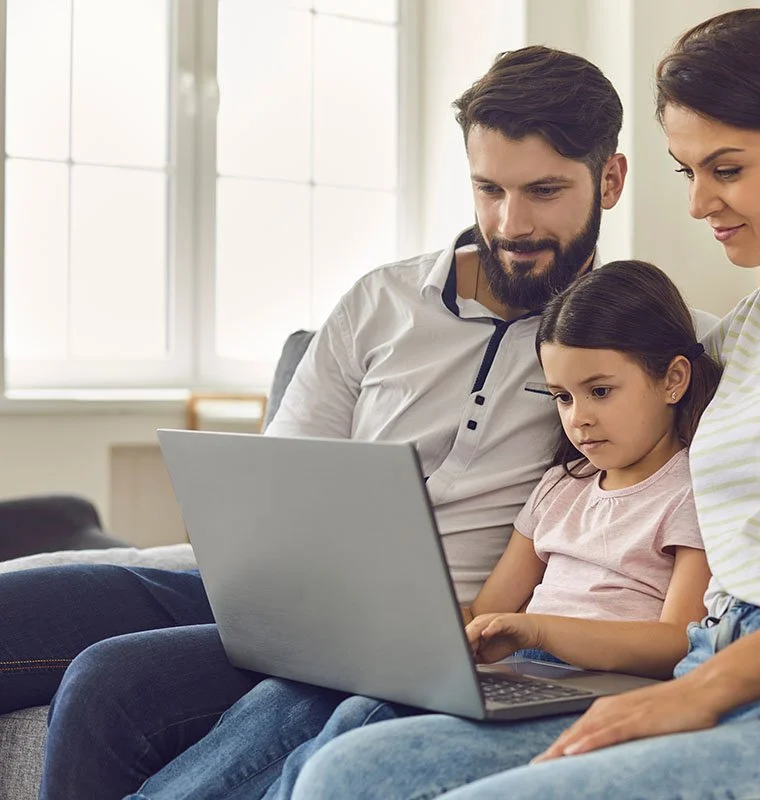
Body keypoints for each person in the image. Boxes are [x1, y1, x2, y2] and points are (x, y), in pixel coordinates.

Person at [289, 9, 760, 799]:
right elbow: (612, 391)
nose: (700, 203)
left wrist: (703, 688)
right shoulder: (749, 329)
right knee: (352, 773)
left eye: (728, 169)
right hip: (722, 666)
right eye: (687, 172)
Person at [0, 45, 637, 800]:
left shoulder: (637, 351)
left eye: (544, 191)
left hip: (426, 634)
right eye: (489, 189)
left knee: (109, 681)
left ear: (610, 179)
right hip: (273, 591)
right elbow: (279, 478)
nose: (511, 223)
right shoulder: (383, 300)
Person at [125, 260, 722, 800]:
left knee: (362, 722)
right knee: (296, 701)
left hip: (599, 687)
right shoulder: (561, 486)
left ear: (673, 380)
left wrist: (535, 628)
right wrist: (425, 644)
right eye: (562, 397)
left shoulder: (691, 490)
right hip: (521, 672)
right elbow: (492, 607)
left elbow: (676, 643)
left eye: (600, 391)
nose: (579, 418)